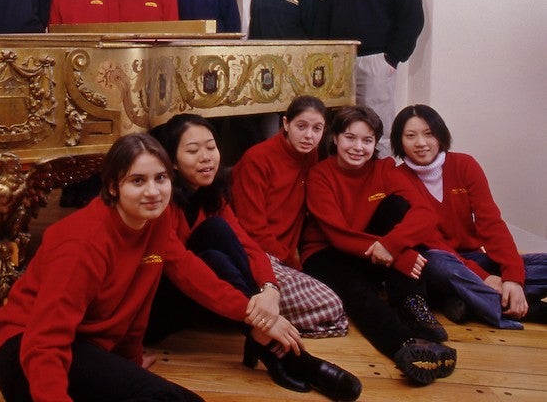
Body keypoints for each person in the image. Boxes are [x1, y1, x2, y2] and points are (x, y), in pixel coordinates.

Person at [0, 132, 344, 402]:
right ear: (113, 186)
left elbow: (172, 284)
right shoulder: (81, 243)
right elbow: (45, 342)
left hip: (86, 348)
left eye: (160, 178)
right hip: (28, 357)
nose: (153, 192)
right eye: (137, 180)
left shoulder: (155, 222)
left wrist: (128, 364)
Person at [148, 114, 361, 400]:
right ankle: (288, 355)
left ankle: (265, 343)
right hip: (154, 310)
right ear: (172, 161)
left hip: (201, 295)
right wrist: (260, 319)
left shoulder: (212, 194)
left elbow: (247, 245)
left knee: (217, 233)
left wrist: (269, 289)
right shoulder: (160, 201)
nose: (205, 157)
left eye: (210, 147)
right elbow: (182, 269)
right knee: (210, 258)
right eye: (192, 150)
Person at [301, 105, 455, 385]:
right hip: (325, 253)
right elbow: (338, 234)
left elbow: (426, 213)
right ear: (335, 138)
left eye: (367, 140)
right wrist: (397, 256)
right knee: (356, 291)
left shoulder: (384, 170)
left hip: (370, 252)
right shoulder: (320, 174)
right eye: (350, 138)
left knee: (397, 208)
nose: (358, 147)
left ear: (376, 143)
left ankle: (410, 302)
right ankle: (404, 345)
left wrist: (394, 247)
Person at [391, 104, 547, 326]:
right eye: (410, 136)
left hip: (474, 258)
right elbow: (431, 241)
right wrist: (484, 277)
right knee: (436, 261)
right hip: (439, 264)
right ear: (399, 141)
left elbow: (491, 223)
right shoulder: (397, 178)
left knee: (537, 264)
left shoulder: (465, 165)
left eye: (428, 133)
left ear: (440, 134)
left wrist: (513, 279)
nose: (421, 143)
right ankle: (521, 308)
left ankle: (468, 300)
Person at [230, 96, 348, 338]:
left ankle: (264, 317)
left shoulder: (311, 156)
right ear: (285, 124)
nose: (309, 136)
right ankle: (258, 319)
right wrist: (293, 264)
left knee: (338, 302)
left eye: (317, 129)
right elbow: (253, 228)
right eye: (301, 126)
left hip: (283, 256)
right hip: (258, 253)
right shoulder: (258, 159)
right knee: (332, 306)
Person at [315, 0, 424, 155]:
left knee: (377, 127)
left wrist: (392, 59)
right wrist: (322, 58)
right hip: (337, 63)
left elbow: (412, 20)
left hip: (376, 63)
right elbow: (323, 19)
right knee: (339, 126)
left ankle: (379, 186)